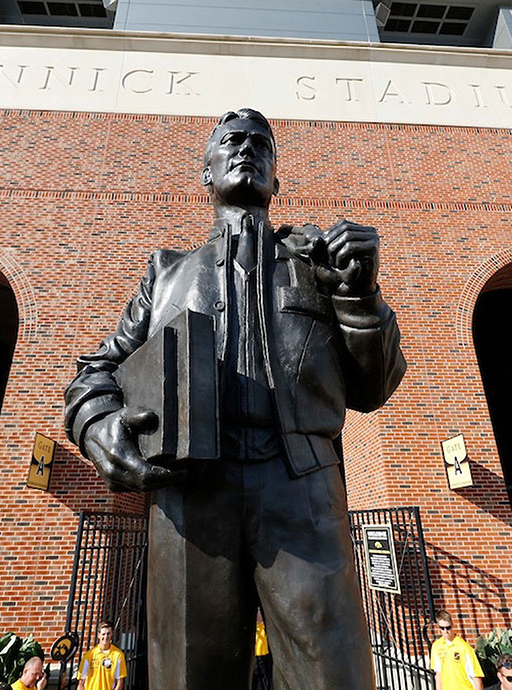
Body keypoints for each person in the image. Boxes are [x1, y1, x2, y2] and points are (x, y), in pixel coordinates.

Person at [64, 107, 407, 690]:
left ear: (277, 177)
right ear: (207, 173)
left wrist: (361, 294)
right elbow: (95, 371)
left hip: (302, 486)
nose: (246, 149)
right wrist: (99, 426)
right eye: (231, 142)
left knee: (334, 673)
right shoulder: (166, 274)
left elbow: (374, 387)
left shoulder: (319, 261)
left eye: (261, 144)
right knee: (190, 674)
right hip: (192, 492)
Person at [430, 610, 484, 690]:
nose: (445, 631)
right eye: (442, 628)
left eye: (448, 627)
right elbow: (438, 675)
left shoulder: (464, 647)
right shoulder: (436, 646)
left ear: (452, 625)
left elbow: (476, 677)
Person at [77, 622, 127, 690]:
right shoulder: (89, 655)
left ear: (111, 634)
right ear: (99, 635)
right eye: (103, 634)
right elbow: (81, 682)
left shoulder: (118, 655)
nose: (106, 637)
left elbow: (120, 682)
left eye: (108, 634)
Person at [253, 608, 273, 690]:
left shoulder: (266, 627)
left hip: (267, 657)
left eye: (260, 612)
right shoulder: (255, 629)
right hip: (257, 658)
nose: (259, 615)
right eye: (258, 612)